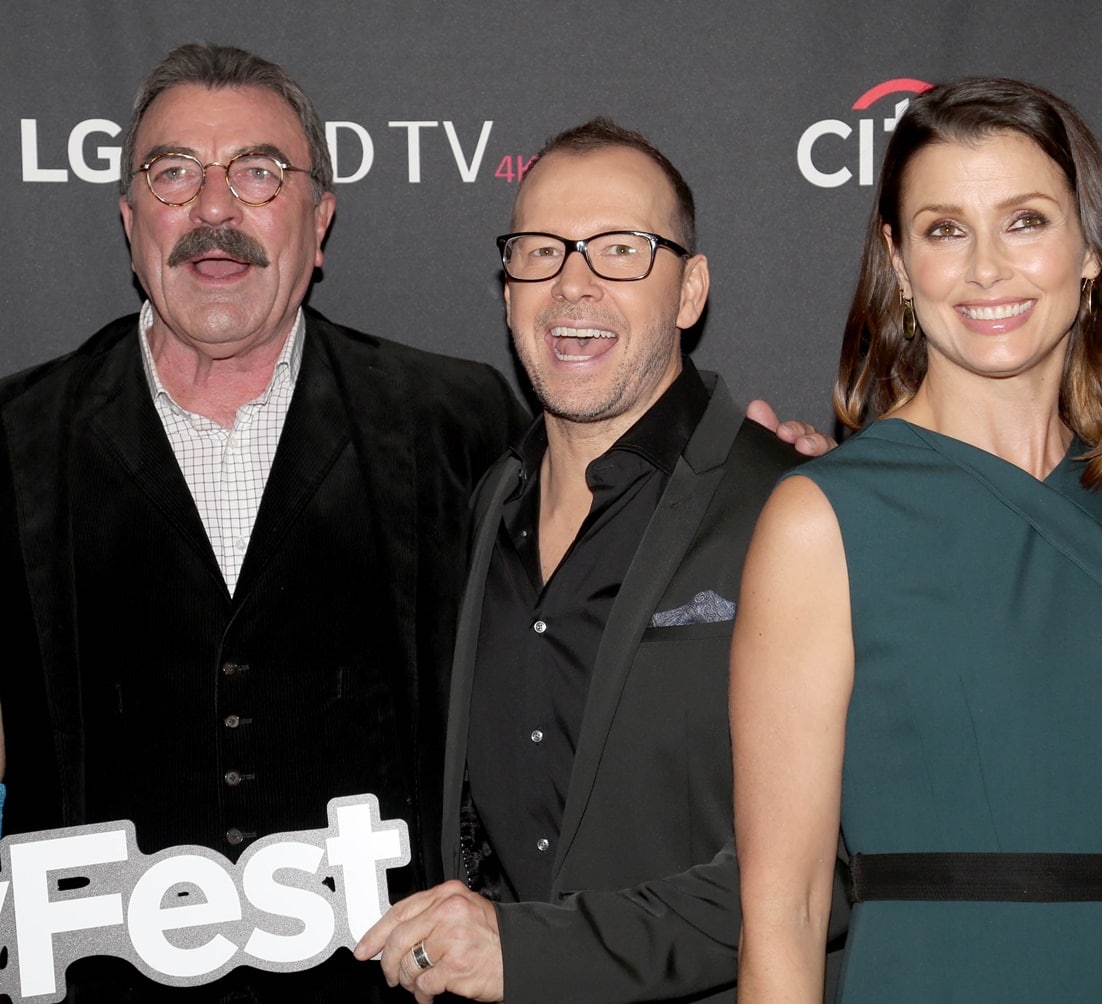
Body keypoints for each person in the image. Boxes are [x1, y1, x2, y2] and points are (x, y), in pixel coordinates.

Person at [0, 42, 528, 1001]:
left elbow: (596, 618)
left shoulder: (460, 421)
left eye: (258, 173)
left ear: (319, 223)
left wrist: (742, 483)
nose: (214, 209)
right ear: (129, 224)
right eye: (173, 175)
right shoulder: (15, 440)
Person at [354, 117, 848, 1003]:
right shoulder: (485, 509)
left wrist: (531, 952)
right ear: (507, 291)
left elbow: (830, 876)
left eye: (621, 250)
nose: (572, 284)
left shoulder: (791, 510)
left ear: (690, 291)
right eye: (540, 252)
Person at [732, 77, 1102, 1002]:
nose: (988, 268)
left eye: (1025, 221)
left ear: (1090, 250)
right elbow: (780, 919)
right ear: (901, 265)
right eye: (946, 230)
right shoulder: (822, 523)